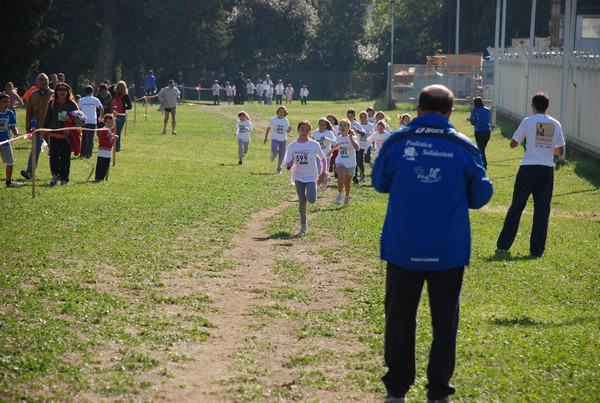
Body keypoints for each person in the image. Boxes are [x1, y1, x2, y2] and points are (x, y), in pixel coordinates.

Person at [371, 84, 493, 403]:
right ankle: (438, 391)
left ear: (419, 108)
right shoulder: (464, 147)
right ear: (451, 112)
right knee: (444, 322)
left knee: (399, 319)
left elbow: (379, 183)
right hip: (448, 250)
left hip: (403, 247)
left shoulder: (398, 142)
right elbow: (481, 196)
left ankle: (396, 389)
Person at [496, 92, 565, 258]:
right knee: (542, 210)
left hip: (528, 168)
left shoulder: (528, 121)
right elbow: (560, 151)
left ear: (533, 106)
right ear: (547, 107)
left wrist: (527, 143)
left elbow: (513, 144)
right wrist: (547, 148)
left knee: (517, 206)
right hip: (546, 170)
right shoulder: (556, 124)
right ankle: (537, 250)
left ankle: (503, 246)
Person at [283, 120, 327, 235]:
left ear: (309, 132)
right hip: (298, 176)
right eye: (302, 129)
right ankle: (303, 225)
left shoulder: (314, 144)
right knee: (302, 200)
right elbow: (287, 165)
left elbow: (323, 159)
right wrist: (290, 163)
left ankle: (315, 187)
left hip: (312, 175)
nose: (304, 132)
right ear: (298, 130)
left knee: (311, 199)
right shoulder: (293, 146)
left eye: (307, 130)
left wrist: (323, 173)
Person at [43, 82, 80, 186]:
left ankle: (64, 178)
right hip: (53, 135)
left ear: (68, 91)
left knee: (65, 158)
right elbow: (47, 118)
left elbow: (80, 119)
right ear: (56, 91)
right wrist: (43, 132)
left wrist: (70, 118)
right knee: (53, 156)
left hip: (67, 136)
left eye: (64, 90)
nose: (62, 91)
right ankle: (54, 175)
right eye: (60, 90)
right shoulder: (51, 103)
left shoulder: (72, 104)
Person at [21, 73, 54, 180]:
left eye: (45, 79)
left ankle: (56, 173)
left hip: (51, 129)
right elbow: (29, 112)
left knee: (53, 151)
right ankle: (29, 172)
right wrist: (27, 128)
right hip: (37, 129)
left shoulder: (54, 95)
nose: (43, 82)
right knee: (35, 151)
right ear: (36, 82)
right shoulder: (33, 95)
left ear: (49, 81)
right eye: (41, 80)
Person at [328, 118, 359, 207]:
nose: (342, 127)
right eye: (341, 125)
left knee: (347, 183)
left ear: (348, 128)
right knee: (340, 176)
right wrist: (331, 150)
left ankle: (347, 196)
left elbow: (357, 148)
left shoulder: (353, 137)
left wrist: (351, 138)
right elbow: (339, 145)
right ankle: (340, 194)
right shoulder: (339, 138)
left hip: (350, 163)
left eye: (345, 125)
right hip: (340, 160)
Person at [0, 93, 24, 187]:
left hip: (5, 141)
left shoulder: (10, 113)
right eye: (4, 101)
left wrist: (16, 133)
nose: (7, 103)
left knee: (10, 162)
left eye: (8, 101)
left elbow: (13, 127)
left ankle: (8, 182)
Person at [263, 106, 292, 174]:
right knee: (274, 149)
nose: (281, 113)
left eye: (283, 112)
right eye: (280, 111)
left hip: (283, 139)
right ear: (277, 112)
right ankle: (274, 154)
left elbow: (287, 131)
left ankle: (279, 168)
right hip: (275, 138)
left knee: (282, 155)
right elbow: (268, 128)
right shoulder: (273, 120)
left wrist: (289, 130)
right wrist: (266, 137)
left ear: (285, 113)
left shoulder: (285, 120)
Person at [78, 85, 104, 159]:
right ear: (92, 92)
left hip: (84, 121)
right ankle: (88, 154)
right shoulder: (95, 100)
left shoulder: (81, 100)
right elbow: (101, 108)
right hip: (92, 121)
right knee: (90, 138)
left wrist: (79, 118)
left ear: (85, 92)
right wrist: (101, 117)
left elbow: (78, 110)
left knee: (83, 138)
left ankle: (82, 153)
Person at [467, 97, 492, 169]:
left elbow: (472, 121)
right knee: (482, 148)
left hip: (479, 131)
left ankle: (484, 165)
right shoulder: (487, 110)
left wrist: (471, 120)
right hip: (487, 131)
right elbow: (489, 119)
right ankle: (481, 163)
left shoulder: (474, 110)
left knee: (481, 149)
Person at [311, 117, 337, 185]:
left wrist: (327, 139)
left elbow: (336, 142)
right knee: (318, 168)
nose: (322, 126)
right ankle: (317, 183)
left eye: (324, 125)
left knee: (324, 171)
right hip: (317, 155)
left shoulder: (328, 133)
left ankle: (325, 180)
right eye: (320, 124)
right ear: (318, 125)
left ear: (326, 126)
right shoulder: (315, 133)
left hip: (326, 155)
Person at [109, 80, 132, 151]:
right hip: (121, 115)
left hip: (114, 114)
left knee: (113, 131)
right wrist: (124, 108)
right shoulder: (125, 96)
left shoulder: (113, 94)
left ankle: (111, 145)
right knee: (118, 132)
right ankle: (117, 147)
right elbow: (130, 106)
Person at [94, 113, 117, 181]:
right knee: (101, 164)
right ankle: (98, 177)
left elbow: (111, 140)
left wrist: (113, 138)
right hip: (103, 150)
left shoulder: (110, 130)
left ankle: (102, 177)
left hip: (108, 150)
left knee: (106, 165)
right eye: (108, 122)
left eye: (111, 122)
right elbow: (101, 138)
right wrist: (108, 136)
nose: (110, 124)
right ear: (105, 122)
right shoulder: (104, 130)